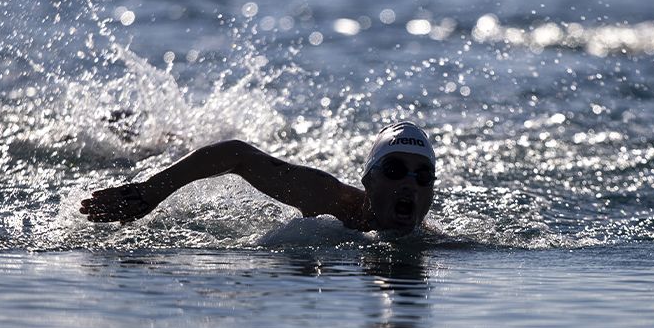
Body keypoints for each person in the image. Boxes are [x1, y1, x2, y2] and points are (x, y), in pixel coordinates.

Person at [80, 121, 437, 235]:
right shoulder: (330, 201)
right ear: (368, 181)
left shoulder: (444, 247)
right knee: (148, 148)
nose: (410, 183)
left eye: (423, 176)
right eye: (394, 170)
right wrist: (150, 191)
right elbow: (236, 155)